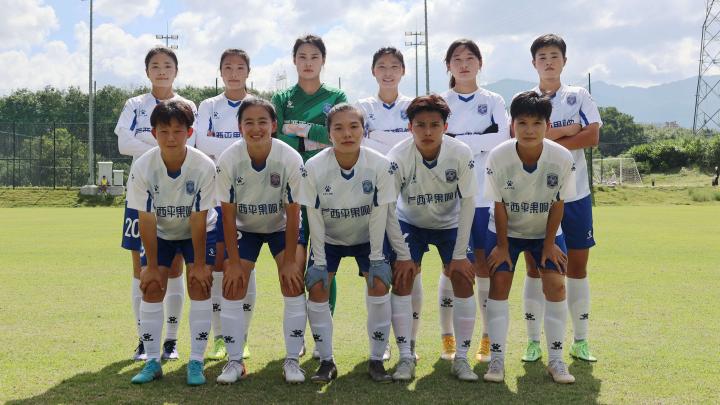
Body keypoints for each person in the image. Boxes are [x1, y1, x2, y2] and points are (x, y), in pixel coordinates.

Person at [298, 104, 397, 383]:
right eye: (338, 128)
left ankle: (377, 360)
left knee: (379, 284)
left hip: (368, 237)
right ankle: (326, 361)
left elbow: (381, 213)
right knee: (318, 287)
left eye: (354, 127)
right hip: (329, 238)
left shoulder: (380, 164)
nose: (347, 134)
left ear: (363, 130)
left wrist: (376, 258)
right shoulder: (313, 167)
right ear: (328, 134)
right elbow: (313, 215)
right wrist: (319, 261)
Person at [483, 91, 576, 384]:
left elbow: (558, 203)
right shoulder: (498, 156)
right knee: (499, 283)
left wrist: (549, 245)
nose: (529, 130)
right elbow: (498, 204)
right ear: (512, 125)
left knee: (556, 285)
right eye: (522, 123)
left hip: (545, 232)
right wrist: (502, 246)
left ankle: (556, 360)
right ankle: (497, 360)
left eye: (537, 123)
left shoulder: (561, 157)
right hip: (506, 232)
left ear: (547, 125)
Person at [520, 34, 602, 363]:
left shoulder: (578, 95)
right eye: (542, 57)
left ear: (564, 61)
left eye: (554, 56)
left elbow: (592, 135)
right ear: (534, 63)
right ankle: (533, 342)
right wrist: (568, 132)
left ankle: (580, 341)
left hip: (576, 195)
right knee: (535, 268)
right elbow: (521, 140)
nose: (549, 62)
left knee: (577, 269)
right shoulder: (526, 99)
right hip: (536, 198)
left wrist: (547, 139)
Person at [214, 98, 307, 384]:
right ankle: (234, 361)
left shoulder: (290, 158)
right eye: (249, 122)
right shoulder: (228, 159)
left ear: (274, 125)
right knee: (233, 284)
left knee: (292, 281)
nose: (256, 129)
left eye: (262, 122)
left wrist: (289, 261)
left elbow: (294, 213)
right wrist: (232, 262)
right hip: (244, 227)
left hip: (281, 226)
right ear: (240, 127)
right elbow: (227, 215)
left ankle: (292, 360)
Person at [386, 95, 479, 381]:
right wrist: (403, 256)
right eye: (420, 125)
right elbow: (388, 207)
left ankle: (461, 358)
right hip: (410, 222)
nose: (427, 132)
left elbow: (469, 203)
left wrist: (460, 255)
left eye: (434, 125)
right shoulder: (397, 157)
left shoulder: (460, 152)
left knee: (462, 277)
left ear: (445, 127)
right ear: (410, 127)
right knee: (403, 277)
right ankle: (406, 355)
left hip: (450, 223)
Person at [115, 46, 197, 362]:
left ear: (176, 71)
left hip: (178, 197)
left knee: (174, 267)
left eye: (167, 65)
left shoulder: (187, 105)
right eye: (155, 66)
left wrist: (151, 142)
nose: (161, 71)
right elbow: (124, 143)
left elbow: (191, 144)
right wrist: (162, 144)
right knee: (141, 269)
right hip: (140, 196)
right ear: (147, 71)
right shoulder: (134, 104)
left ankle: (171, 341)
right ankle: (143, 339)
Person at [127, 100, 217, 386]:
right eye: (164, 131)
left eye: (178, 131)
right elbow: (146, 218)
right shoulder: (143, 166)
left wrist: (200, 264)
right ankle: (152, 361)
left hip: (197, 231)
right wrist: (152, 266)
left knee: (199, 284)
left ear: (189, 133)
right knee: (152, 285)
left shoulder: (204, 166)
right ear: (154, 133)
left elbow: (199, 218)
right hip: (161, 232)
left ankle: (196, 362)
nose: (170, 138)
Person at [271, 34, 347, 357]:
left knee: (323, 263)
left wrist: (299, 131)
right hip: (290, 188)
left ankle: (321, 337)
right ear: (294, 61)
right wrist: (314, 135)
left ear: (323, 61)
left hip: (327, 185)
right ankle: (297, 336)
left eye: (314, 57)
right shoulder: (282, 97)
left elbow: (339, 135)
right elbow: (277, 138)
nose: (308, 63)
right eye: (302, 57)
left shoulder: (336, 96)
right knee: (295, 262)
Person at [440, 39, 510, 363]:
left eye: (470, 58)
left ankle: (486, 338)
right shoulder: (441, 102)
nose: (464, 64)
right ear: (448, 66)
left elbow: (502, 138)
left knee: (483, 266)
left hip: (485, 195)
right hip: (451, 197)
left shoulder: (493, 100)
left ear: (480, 63)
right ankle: (448, 337)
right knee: (451, 267)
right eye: (457, 59)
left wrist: (460, 141)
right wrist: (480, 139)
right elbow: (439, 142)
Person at [356, 46, 415, 362]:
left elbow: (419, 142)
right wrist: (396, 141)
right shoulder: (362, 107)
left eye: (394, 66)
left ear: (403, 71)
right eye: (382, 66)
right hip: (373, 199)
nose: (388, 72)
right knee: (376, 275)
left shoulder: (413, 106)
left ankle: (409, 340)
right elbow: (358, 144)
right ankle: (381, 342)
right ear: (373, 71)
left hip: (409, 198)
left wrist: (378, 137)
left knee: (408, 271)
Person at [195, 48, 254, 361]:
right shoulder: (208, 105)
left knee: (245, 262)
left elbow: (259, 142)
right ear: (220, 72)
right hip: (216, 193)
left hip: (251, 192)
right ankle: (220, 338)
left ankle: (241, 337)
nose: (234, 73)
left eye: (240, 67)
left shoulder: (256, 104)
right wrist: (241, 143)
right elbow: (201, 143)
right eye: (228, 68)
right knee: (218, 262)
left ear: (248, 72)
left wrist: (224, 146)